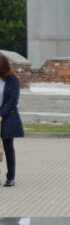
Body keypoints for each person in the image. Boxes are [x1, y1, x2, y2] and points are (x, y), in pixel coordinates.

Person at [0, 54, 23, 187]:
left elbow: (13, 100)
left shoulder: (12, 79)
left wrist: (2, 114)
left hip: (8, 116)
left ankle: (10, 177)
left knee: (8, 147)